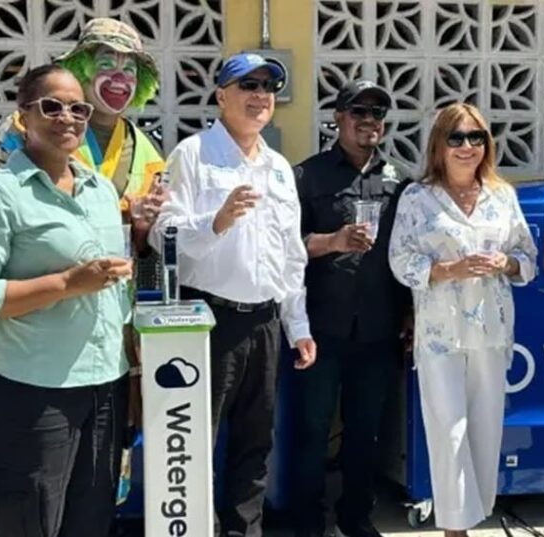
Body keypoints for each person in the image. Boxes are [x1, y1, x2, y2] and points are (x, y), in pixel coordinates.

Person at [0, 64, 133, 537]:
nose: (67, 117)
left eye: (78, 108)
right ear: (22, 116)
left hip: (105, 383)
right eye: (52, 106)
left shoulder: (100, 192)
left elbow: (113, 291)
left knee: (92, 518)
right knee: (33, 518)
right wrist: (67, 284)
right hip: (34, 388)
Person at [151, 52, 316, 537]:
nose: (260, 95)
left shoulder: (280, 168)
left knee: (255, 442)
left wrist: (298, 326)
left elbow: (290, 255)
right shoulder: (193, 154)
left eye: (268, 86)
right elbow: (164, 236)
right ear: (221, 95)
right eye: (247, 85)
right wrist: (216, 222)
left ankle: (245, 531)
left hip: (264, 321)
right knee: (197, 441)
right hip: (209, 323)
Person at [0, 15, 164, 435]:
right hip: (39, 321)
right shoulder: (24, 130)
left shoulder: (146, 148)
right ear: (81, 68)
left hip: (111, 321)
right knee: (42, 450)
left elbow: (147, 245)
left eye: (129, 70)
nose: (119, 78)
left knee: (107, 446)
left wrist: (141, 227)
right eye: (106, 65)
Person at [388, 103, 537, 535]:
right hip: (440, 334)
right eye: (456, 138)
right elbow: (400, 260)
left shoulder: (502, 195)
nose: (467, 146)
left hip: (491, 332)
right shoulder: (418, 198)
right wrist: (446, 270)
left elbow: (526, 259)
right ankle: (455, 529)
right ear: (439, 145)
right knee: (448, 434)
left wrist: (504, 262)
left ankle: (473, 516)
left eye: (476, 137)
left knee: (485, 435)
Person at [292, 79, 412, 537]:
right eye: (359, 111)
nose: (369, 121)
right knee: (313, 431)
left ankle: (355, 519)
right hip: (321, 327)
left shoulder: (400, 180)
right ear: (338, 118)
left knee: (366, 434)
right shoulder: (307, 176)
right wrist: (332, 242)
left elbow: (408, 252)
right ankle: (307, 523)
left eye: (377, 113)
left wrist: (409, 313)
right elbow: (287, 249)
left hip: (379, 329)